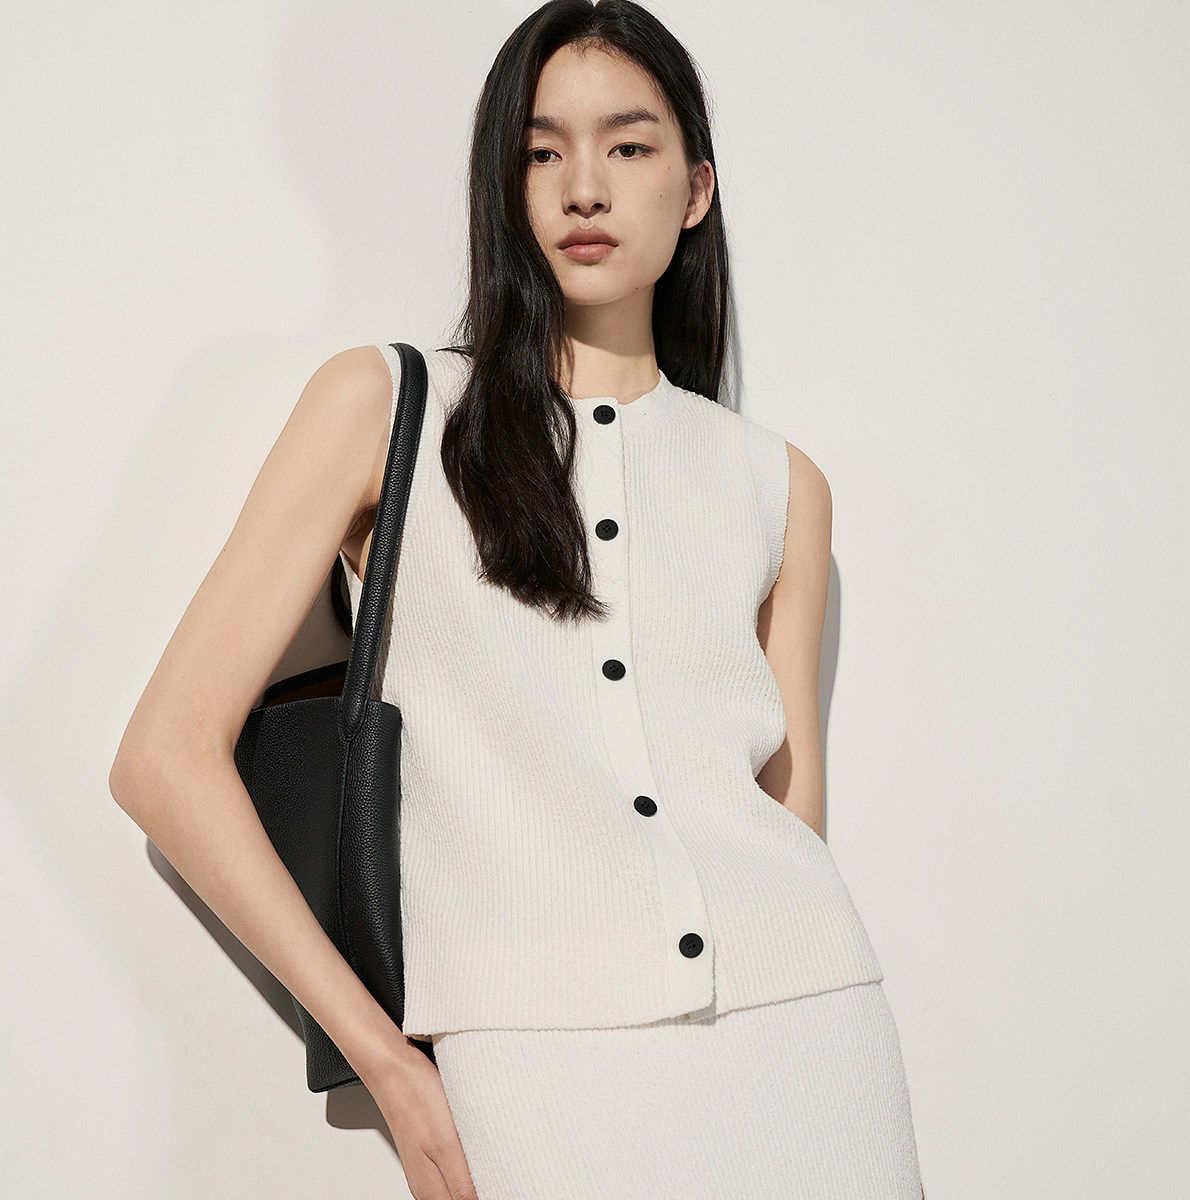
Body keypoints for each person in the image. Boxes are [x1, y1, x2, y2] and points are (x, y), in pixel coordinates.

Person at [110, 1, 925, 1197]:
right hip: (534, 1061)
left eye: (629, 146)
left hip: (807, 1031)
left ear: (696, 189)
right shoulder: (387, 408)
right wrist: (391, 1067)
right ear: (504, 186)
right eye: (542, 152)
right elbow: (163, 760)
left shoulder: (777, 484)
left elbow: (788, 815)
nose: (584, 187)